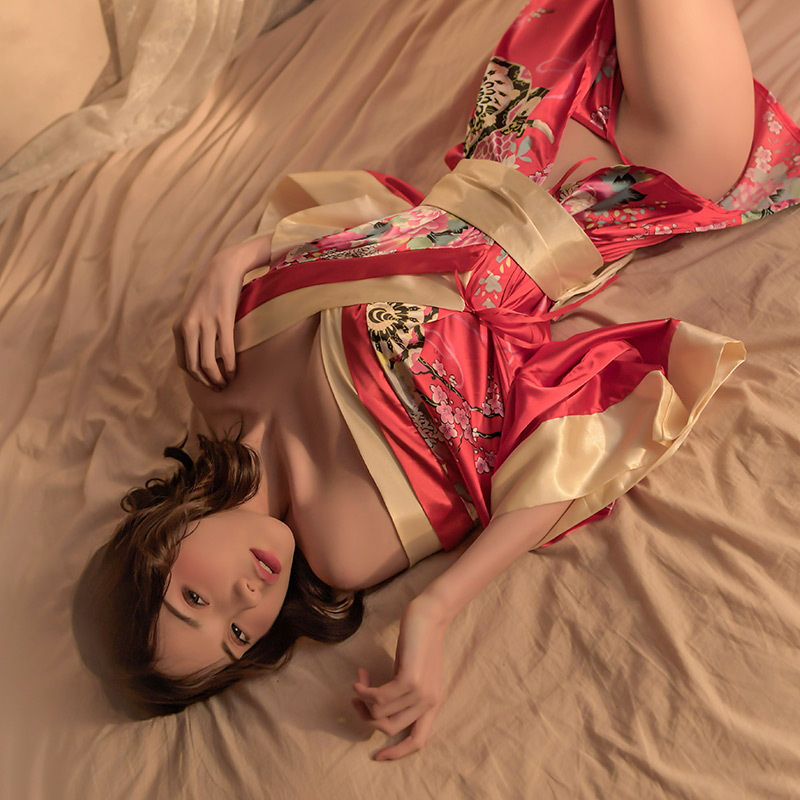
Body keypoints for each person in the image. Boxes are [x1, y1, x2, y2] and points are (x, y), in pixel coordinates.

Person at [72, 0, 800, 761]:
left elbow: (374, 226)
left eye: (194, 598)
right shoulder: (348, 544)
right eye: (235, 637)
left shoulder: (209, 375)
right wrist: (436, 610)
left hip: (523, 108)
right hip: (637, 167)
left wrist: (235, 262)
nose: (245, 601)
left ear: (158, 539)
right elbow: (545, 457)